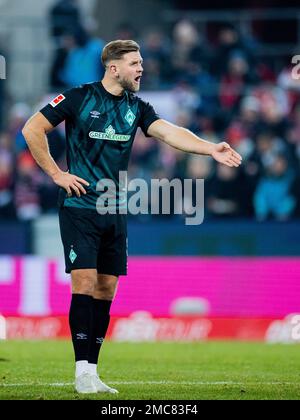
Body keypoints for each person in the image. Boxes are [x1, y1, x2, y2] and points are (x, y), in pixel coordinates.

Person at [22, 40, 242, 394]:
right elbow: (32, 128)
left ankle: (93, 371)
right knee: (85, 282)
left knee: (107, 289)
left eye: (141, 63)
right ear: (114, 67)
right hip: (80, 208)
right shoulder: (79, 98)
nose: (141, 69)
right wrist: (57, 174)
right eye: (135, 63)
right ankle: (81, 372)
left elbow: (171, 132)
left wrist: (209, 147)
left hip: (115, 208)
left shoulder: (137, 108)